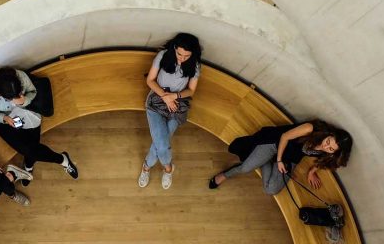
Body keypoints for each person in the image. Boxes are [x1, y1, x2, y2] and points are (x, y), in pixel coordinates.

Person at [0, 67, 78, 185]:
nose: (13, 100)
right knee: (30, 148)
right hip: (2, 119)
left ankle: (29, 166)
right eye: (10, 98)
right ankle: (61, 160)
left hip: (24, 110)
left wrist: (23, 101)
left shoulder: (20, 76)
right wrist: (4, 118)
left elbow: (33, 92)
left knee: (31, 148)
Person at [209, 120, 352, 196]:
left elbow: (326, 161)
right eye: (328, 142)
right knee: (245, 168)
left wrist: (312, 171)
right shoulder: (310, 128)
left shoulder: (329, 153)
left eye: (331, 149)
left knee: (271, 190)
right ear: (329, 134)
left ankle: (263, 162)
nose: (325, 147)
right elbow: (285, 136)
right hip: (276, 144)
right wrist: (278, 160)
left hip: (290, 158)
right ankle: (225, 175)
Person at [138, 33, 202, 190]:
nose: (182, 58)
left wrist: (175, 96)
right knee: (163, 145)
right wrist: (165, 96)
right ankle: (168, 168)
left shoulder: (195, 65)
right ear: (174, 48)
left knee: (160, 143)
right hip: (156, 101)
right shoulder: (163, 56)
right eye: (179, 53)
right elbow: (150, 80)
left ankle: (146, 167)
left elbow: (191, 91)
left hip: (177, 105)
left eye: (187, 56)